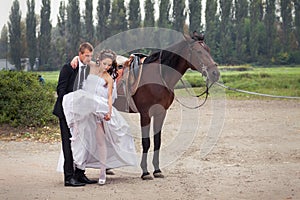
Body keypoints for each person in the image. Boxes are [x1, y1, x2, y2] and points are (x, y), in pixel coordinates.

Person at [62, 49, 137, 185]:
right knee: (81, 140)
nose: (107, 67)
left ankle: (103, 170)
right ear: (99, 61)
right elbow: (83, 59)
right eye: (104, 64)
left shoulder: (109, 78)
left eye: (109, 65)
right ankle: (77, 171)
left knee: (101, 141)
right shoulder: (93, 68)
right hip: (86, 110)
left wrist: (108, 112)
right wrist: (74, 57)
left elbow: (109, 97)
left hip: (99, 111)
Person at [53, 42, 97, 187]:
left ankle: (80, 174)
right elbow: (61, 89)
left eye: (90, 55)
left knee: (81, 143)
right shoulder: (68, 67)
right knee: (68, 143)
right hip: (66, 112)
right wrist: (71, 104)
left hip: (80, 113)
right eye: (86, 55)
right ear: (80, 54)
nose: (89, 58)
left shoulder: (87, 69)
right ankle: (68, 177)